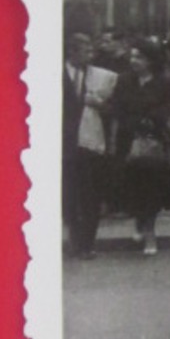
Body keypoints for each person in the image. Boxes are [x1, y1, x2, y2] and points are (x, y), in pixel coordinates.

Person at [110, 38, 170, 256]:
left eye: (139, 57)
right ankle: (139, 224)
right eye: (132, 56)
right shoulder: (124, 81)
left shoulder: (164, 82)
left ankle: (150, 233)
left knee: (151, 191)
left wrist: (152, 118)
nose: (134, 61)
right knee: (132, 188)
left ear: (151, 60)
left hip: (154, 142)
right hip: (129, 141)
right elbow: (117, 107)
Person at [62, 31, 118, 258]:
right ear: (72, 51)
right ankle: (75, 242)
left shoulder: (100, 77)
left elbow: (112, 109)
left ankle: (86, 245)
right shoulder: (56, 73)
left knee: (90, 196)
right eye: (86, 51)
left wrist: (100, 105)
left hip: (90, 143)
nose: (91, 55)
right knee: (69, 196)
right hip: (64, 145)